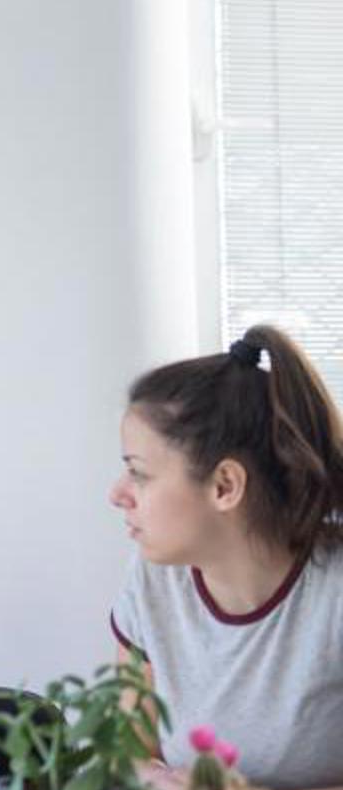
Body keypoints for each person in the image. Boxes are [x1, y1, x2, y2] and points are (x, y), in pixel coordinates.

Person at [109, 325, 343, 790]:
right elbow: (128, 751)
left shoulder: (333, 592)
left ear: (224, 486)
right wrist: (157, 781)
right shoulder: (154, 579)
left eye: (139, 473)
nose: (117, 495)